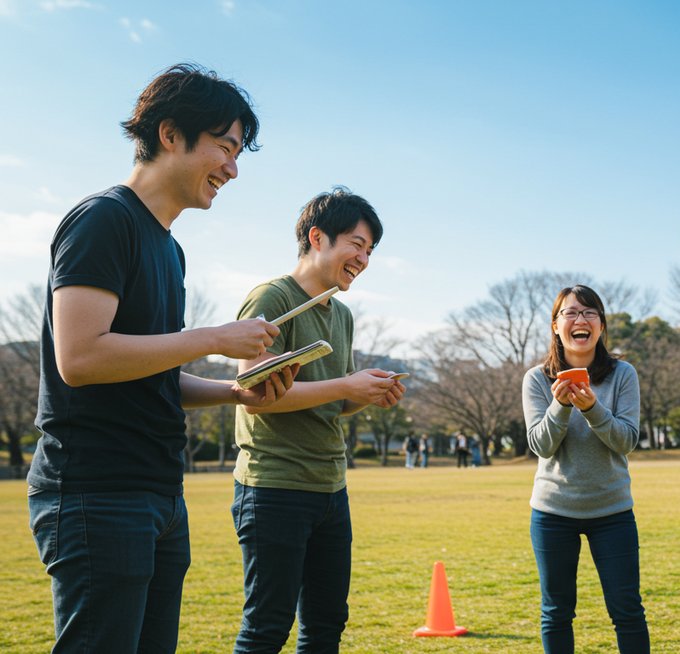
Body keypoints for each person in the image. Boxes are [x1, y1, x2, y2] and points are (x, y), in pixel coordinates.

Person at [27, 63, 296, 653]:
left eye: (238, 154)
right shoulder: (104, 219)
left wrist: (235, 392)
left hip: (160, 493)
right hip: (97, 492)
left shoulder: (171, 250)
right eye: (225, 147)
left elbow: (151, 371)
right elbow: (81, 358)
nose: (232, 169)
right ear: (170, 134)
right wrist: (213, 338)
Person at [231, 188, 405, 652]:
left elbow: (334, 402)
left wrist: (366, 393)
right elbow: (253, 394)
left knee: (327, 624)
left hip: (330, 488)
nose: (363, 259)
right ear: (316, 237)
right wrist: (346, 386)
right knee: (267, 628)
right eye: (356, 244)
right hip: (274, 487)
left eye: (370, 251)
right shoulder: (272, 297)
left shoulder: (342, 314)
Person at [522, 285, 650, 653]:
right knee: (556, 612)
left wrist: (593, 408)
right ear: (555, 325)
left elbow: (626, 441)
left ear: (601, 325)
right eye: (571, 313)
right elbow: (541, 446)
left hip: (612, 511)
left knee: (627, 610)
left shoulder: (623, 374)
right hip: (553, 512)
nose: (581, 319)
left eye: (590, 312)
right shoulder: (537, 378)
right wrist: (560, 406)